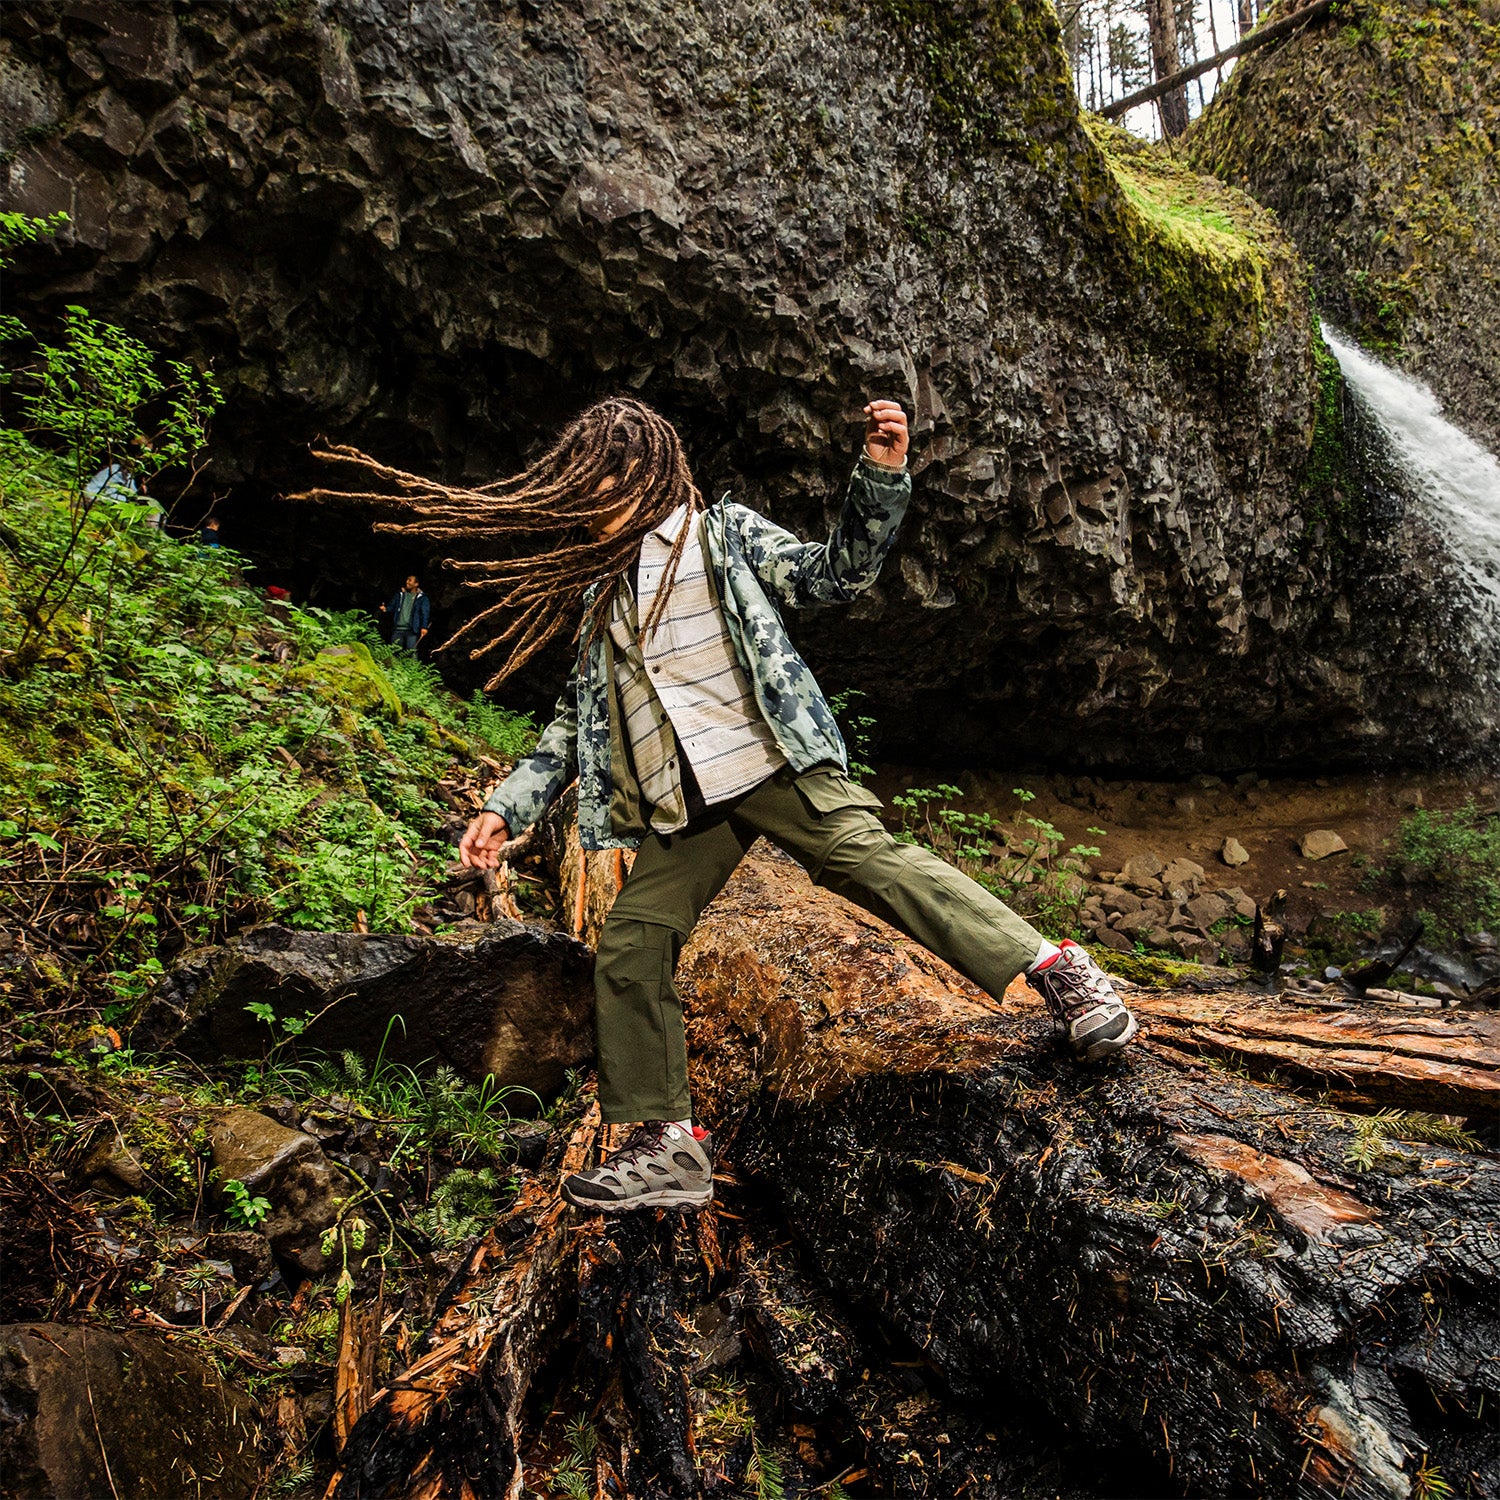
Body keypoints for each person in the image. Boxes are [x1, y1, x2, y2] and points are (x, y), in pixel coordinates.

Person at [310, 397, 1139, 1217]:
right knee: (631, 947)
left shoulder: (722, 535)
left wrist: (879, 479)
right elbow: (571, 724)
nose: (587, 502)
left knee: (872, 862)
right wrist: (505, 808)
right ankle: (668, 1145)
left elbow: (832, 575)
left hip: (775, 761)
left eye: (600, 483)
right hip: (687, 806)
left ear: (642, 476)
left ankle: (1062, 973)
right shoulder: (604, 600)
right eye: (579, 486)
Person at [379, 574, 430, 653]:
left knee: (411, 652)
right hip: (398, 629)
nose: (407, 582)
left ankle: (412, 665)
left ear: (416, 584)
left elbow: (425, 613)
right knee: (394, 651)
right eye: (407, 580)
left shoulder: (422, 598)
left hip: (412, 630)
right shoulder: (400, 595)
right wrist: (385, 609)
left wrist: (424, 627)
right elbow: (392, 606)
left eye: (410, 580)